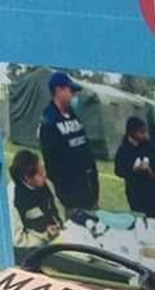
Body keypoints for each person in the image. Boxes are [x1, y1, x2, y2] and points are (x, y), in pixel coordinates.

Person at [39, 71, 99, 213]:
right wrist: (68, 193)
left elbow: (83, 145)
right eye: (71, 91)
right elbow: (52, 164)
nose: (74, 95)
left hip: (89, 188)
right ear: (58, 90)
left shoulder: (72, 114)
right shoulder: (49, 121)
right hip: (72, 195)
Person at [114, 117, 155, 218]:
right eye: (141, 132)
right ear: (132, 132)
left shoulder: (149, 145)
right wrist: (133, 170)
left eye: (144, 131)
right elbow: (118, 171)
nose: (144, 135)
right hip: (135, 191)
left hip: (153, 189)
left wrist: (154, 171)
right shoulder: (123, 150)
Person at [9, 149, 62, 249]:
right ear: (27, 178)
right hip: (34, 249)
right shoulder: (14, 200)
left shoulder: (47, 184)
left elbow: (58, 209)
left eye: (43, 170)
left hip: (56, 236)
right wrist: (46, 237)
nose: (45, 175)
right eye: (40, 174)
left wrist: (59, 226)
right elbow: (18, 240)